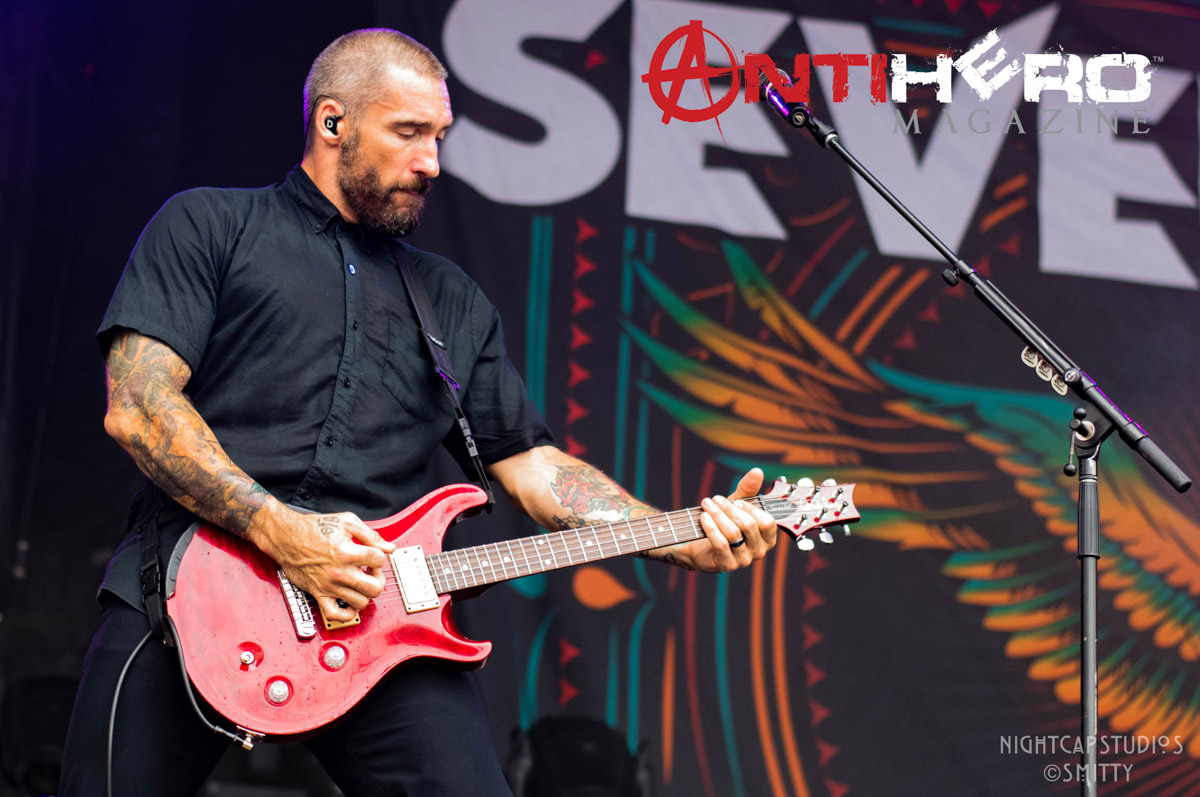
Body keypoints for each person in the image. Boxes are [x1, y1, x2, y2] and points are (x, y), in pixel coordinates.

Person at [59, 28, 778, 796]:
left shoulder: (451, 301)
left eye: (439, 137)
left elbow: (533, 467)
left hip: (381, 615)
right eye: (408, 132)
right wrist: (280, 530)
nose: (431, 161)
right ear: (333, 123)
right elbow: (139, 406)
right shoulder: (209, 226)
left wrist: (674, 533)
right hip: (191, 592)